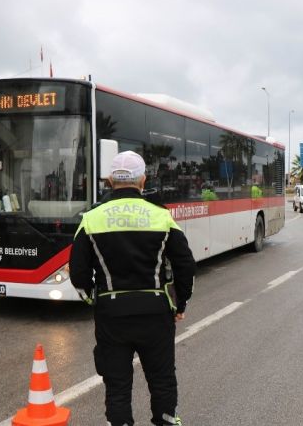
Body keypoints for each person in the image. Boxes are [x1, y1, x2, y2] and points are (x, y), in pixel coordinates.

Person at [69, 151, 196, 426]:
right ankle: (165, 421)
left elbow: (78, 273)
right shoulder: (162, 216)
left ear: (110, 181)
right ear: (143, 180)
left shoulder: (91, 218)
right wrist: (179, 303)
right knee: (162, 380)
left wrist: (95, 299)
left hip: (111, 315)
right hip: (156, 313)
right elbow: (186, 265)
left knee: (117, 385)